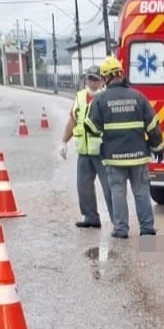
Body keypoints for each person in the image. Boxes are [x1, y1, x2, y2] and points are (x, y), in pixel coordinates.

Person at [85, 56, 164, 239]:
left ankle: (121, 229)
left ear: (105, 78)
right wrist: (158, 147)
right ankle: (147, 228)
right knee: (142, 192)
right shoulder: (138, 96)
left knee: (118, 193)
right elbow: (153, 126)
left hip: (114, 158)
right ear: (121, 73)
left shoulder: (101, 99)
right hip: (138, 156)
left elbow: (91, 127)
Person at [60, 65, 114, 229]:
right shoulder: (80, 97)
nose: (92, 83)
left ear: (102, 81)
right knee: (83, 186)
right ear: (86, 80)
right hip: (84, 151)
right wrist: (64, 141)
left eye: (96, 79)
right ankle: (90, 217)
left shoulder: (106, 97)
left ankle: (117, 221)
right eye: (90, 79)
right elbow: (73, 120)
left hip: (102, 152)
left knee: (109, 188)